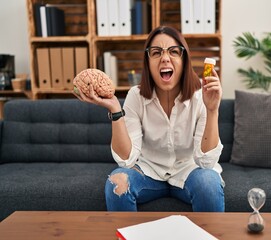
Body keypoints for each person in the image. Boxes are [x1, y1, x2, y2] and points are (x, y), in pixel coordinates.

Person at [74, 25, 224, 212]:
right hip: (149, 172)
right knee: (117, 181)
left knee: (208, 182)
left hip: (189, 171)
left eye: (173, 51)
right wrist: (115, 110)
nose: (165, 58)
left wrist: (212, 110)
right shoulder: (135, 96)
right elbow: (126, 161)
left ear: (184, 60)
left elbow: (207, 163)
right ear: (148, 61)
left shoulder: (201, 95)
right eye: (156, 52)